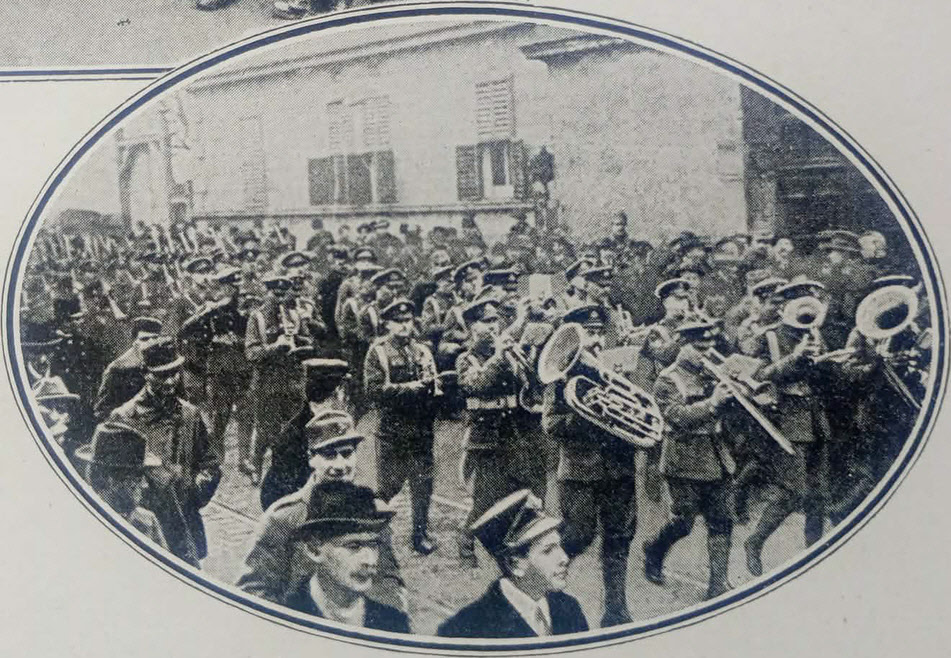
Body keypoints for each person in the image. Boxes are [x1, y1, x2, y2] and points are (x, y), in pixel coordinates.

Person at [237, 409, 406, 612]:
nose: (340, 465)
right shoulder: (283, 518)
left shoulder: (372, 512)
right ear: (311, 458)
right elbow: (253, 590)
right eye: (329, 455)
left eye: (347, 453)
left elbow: (389, 582)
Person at [542, 304, 638, 627]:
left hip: (618, 467)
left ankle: (616, 610)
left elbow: (642, 410)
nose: (595, 340)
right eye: (589, 334)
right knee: (578, 536)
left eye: (599, 332)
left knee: (619, 536)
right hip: (580, 470)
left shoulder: (618, 367)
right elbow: (551, 424)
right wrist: (588, 414)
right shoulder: (561, 374)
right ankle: (546, 593)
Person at [643, 320, 737, 599]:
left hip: (716, 454)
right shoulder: (668, 379)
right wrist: (713, 403)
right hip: (683, 458)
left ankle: (718, 584)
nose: (705, 354)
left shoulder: (713, 374)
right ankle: (654, 549)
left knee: (722, 519)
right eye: (698, 348)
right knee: (684, 521)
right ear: (682, 346)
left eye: (709, 348)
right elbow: (676, 416)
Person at [108, 338, 221, 567]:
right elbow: (115, 479)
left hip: (185, 520)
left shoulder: (190, 414)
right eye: (161, 376)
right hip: (147, 522)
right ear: (146, 374)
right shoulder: (124, 418)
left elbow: (210, 464)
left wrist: (194, 494)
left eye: (174, 374)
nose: (170, 382)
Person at [456, 297, 539, 567]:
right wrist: (500, 356)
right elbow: (477, 384)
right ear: (471, 327)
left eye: (495, 320)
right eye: (486, 321)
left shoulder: (504, 350)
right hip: (485, 439)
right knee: (486, 499)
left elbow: (527, 384)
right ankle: (466, 538)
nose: (493, 327)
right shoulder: (465, 359)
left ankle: (512, 544)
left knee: (521, 490)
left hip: (514, 434)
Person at [437, 489, 587, 638]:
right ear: (515, 564)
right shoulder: (464, 629)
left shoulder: (569, 608)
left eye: (559, 546)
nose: (564, 558)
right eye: (548, 551)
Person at [363, 298, 441, 555]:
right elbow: (373, 391)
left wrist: (435, 391)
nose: (404, 326)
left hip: (420, 428)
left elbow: (434, 386)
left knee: (423, 484)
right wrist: (406, 389)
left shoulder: (423, 351)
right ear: (387, 324)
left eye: (408, 321)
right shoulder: (378, 352)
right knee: (389, 486)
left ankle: (420, 534)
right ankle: (369, 531)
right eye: (398, 322)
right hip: (392, 429)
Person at [283, 481, 411, 633]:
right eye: (354, 546)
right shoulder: (285, 616)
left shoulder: (393, 622)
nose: (370, 561)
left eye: (374, 544)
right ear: (314, 550)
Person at [259, 358, 350, 511]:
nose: (343, 403)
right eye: (337, 397)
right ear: (318, 404)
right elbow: (288, 492)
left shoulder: (336, 426)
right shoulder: (293, 436)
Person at [75, 421, 168, 550]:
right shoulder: (81, 523)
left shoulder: (148, 522)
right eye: (137, 478)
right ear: (109, 479)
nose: (145, 485)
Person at [94, 316, 163, 421]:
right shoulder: (118, 369)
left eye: (155, 338)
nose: (151, 342)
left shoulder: (166, 364)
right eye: (144, 339)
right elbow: (102, 410)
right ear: (134, 342)